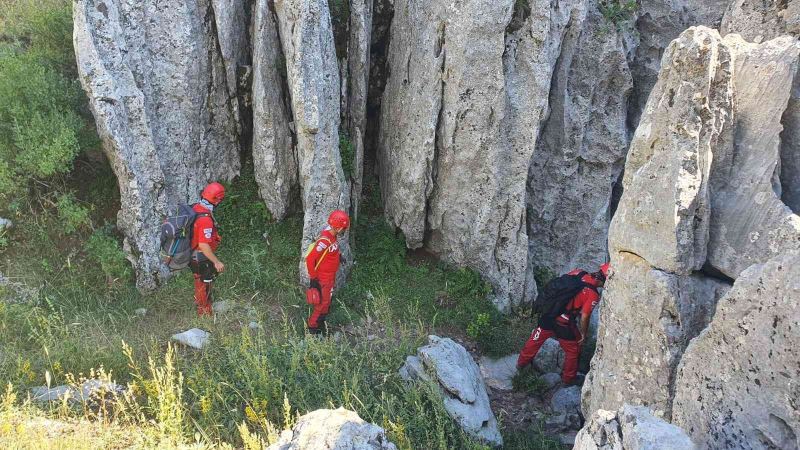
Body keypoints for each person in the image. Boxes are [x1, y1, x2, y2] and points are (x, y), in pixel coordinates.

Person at [516, 263, 610, 385]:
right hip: (563, 322)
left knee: (535, 338)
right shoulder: (593, 295)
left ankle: (521, 364)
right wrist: (583, 334)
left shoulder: (579, 272)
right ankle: (568, 379)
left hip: (549, 313)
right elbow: (584, 316)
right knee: (574, 349)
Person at [305, 210, 350, 334]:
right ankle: (312, 328)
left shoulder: (332, 236)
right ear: (337, 227)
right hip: (323, 278)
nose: (344, 231)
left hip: (330, 277)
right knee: (321, 303)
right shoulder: (324, 240)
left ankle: (321, 323)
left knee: (327, 301)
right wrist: (313, 278)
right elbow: (310, 259)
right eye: (343, 228)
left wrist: (339, 256)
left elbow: (330, 252)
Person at [190, 182, 226, 316]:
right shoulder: (205, 220)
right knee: (204, 282)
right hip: (200, 256)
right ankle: (204, 312)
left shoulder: (196, 207)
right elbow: (204, 245)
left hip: (193, 253)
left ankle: (202, 305)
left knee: (201, 281)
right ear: (217, 199)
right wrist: (216, 262)